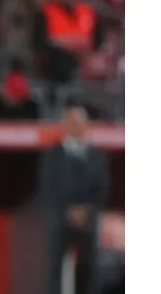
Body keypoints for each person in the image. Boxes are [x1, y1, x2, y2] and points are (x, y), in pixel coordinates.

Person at [40, 104, 109, 294]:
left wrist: (86, 209)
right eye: (71, 122)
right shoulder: (52, 155)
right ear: (64, 124)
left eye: (79, 122)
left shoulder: (96, 155)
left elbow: (102, 186)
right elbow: (47, 186)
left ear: (86, 125)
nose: (75, 126)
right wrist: (67, 210)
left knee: (88, 269)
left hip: (87, 220)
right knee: (55, 268)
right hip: (60, 220)